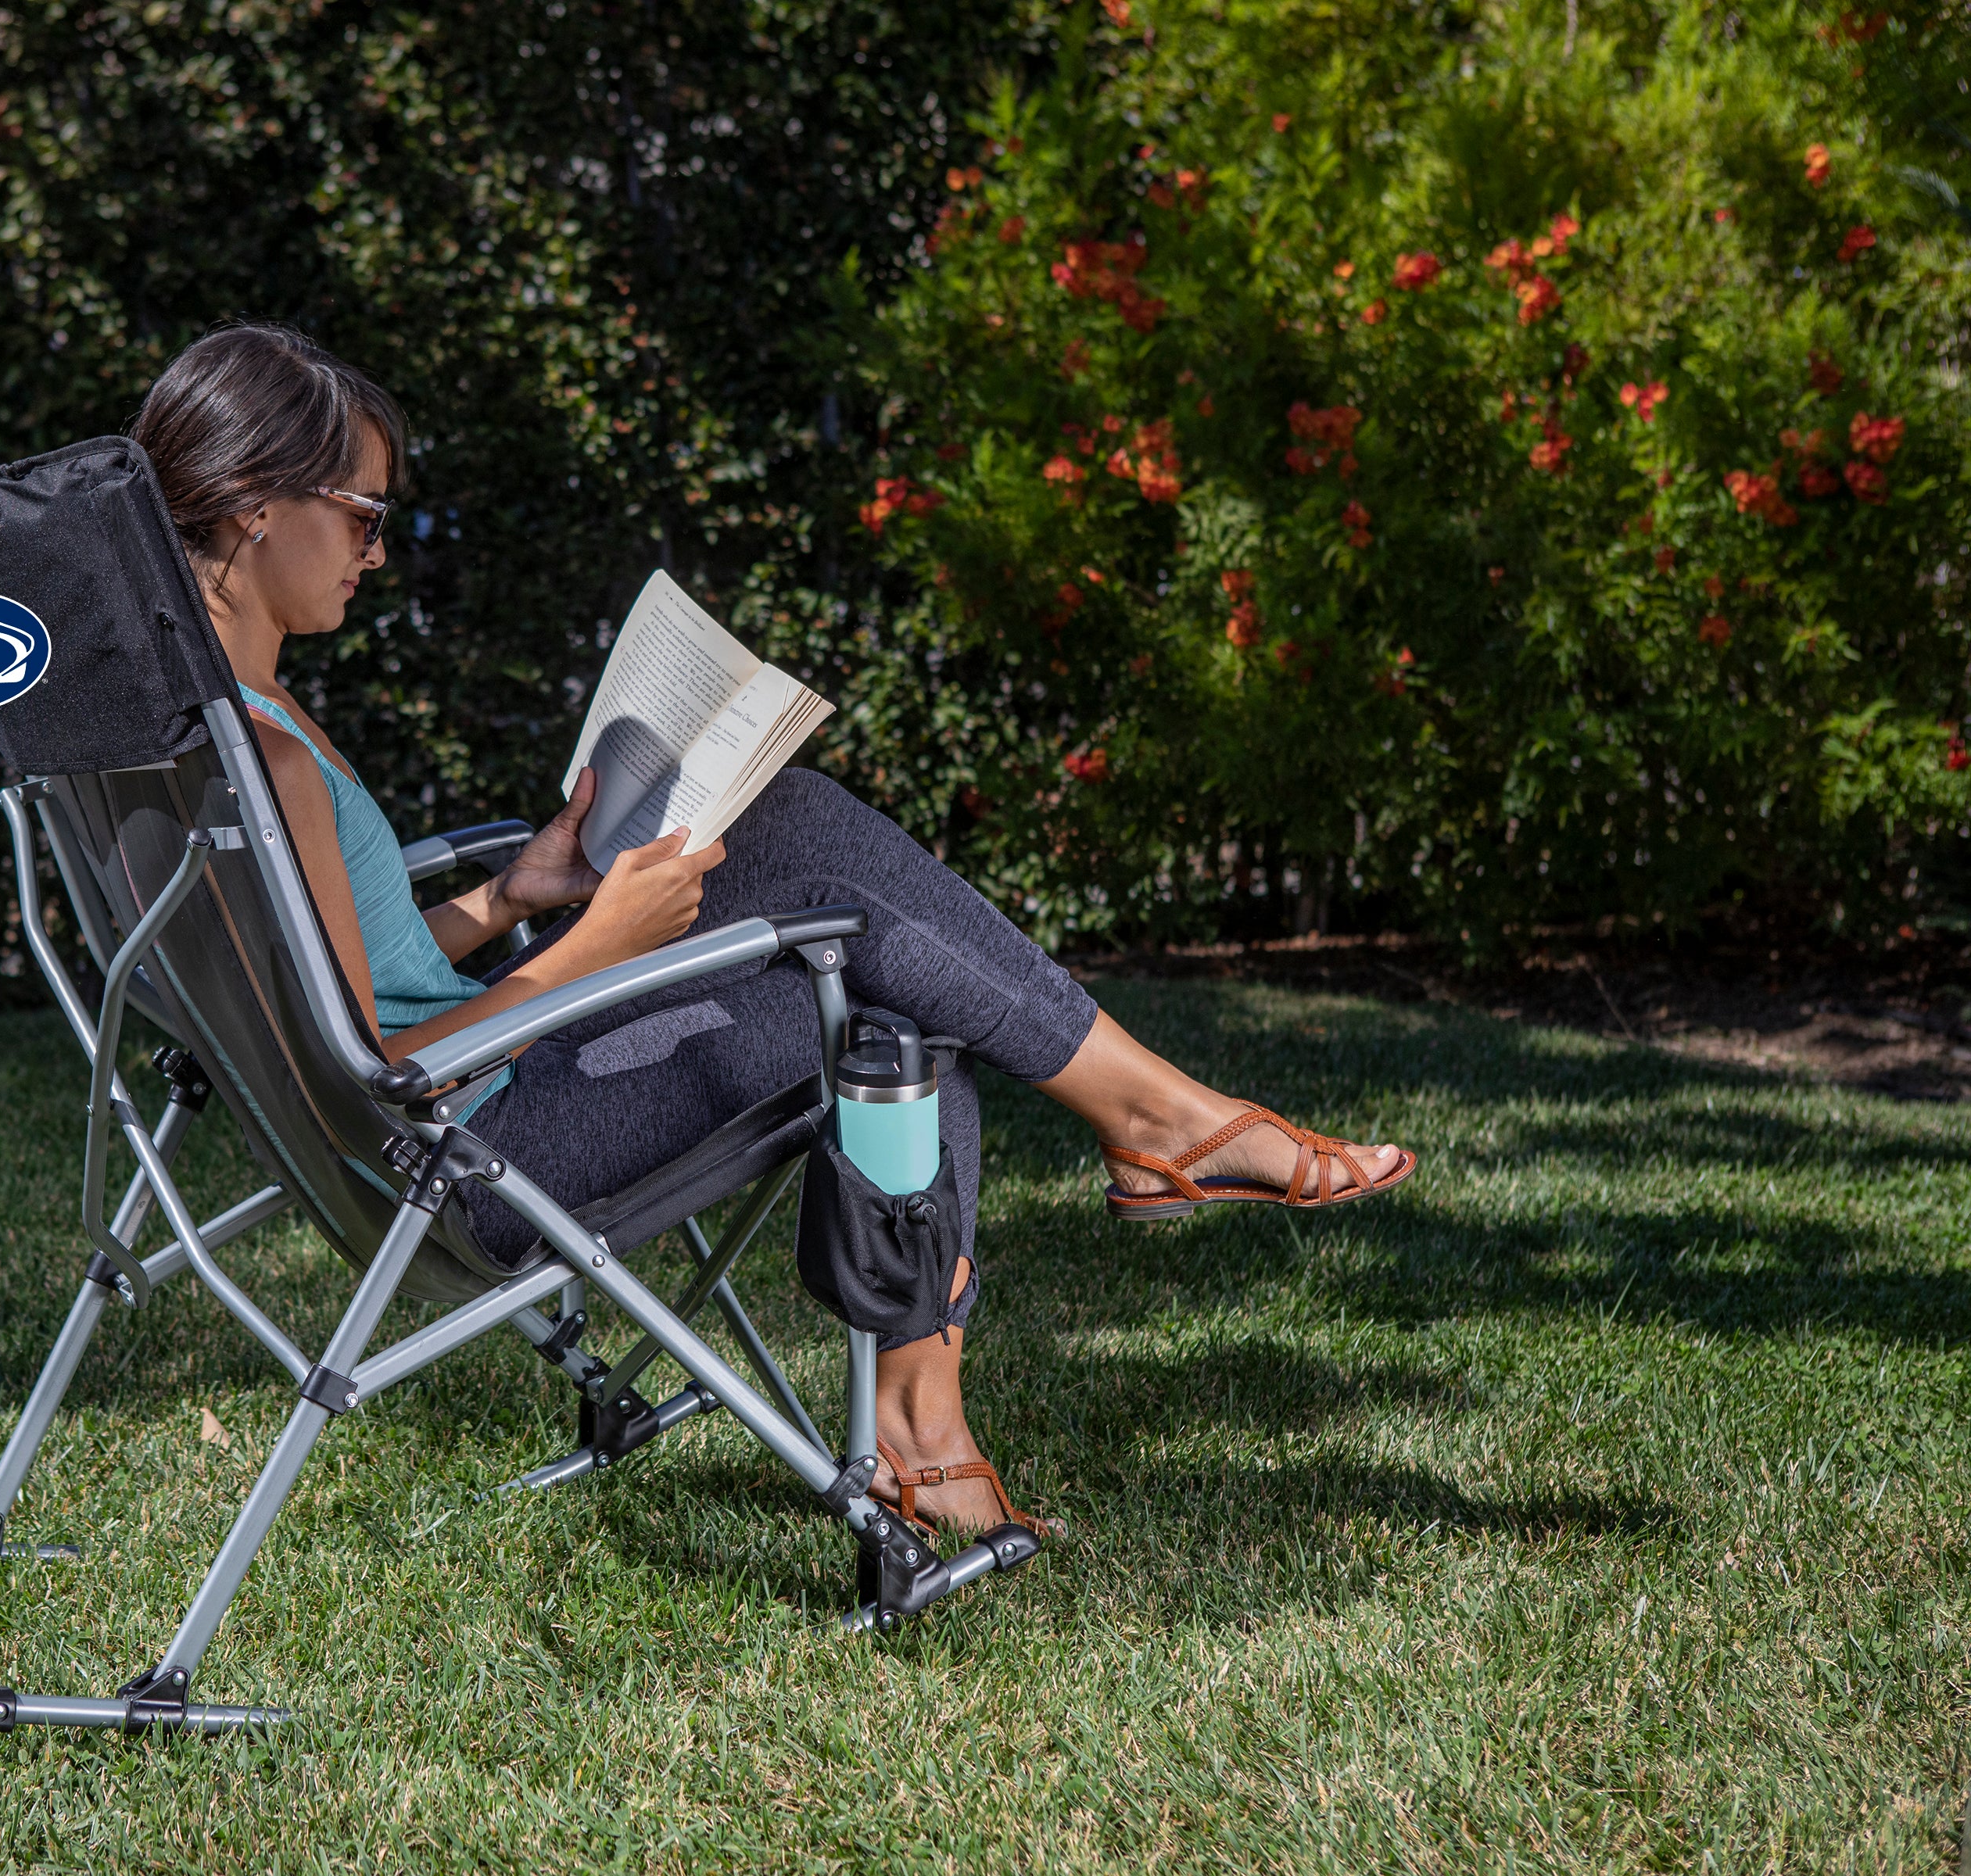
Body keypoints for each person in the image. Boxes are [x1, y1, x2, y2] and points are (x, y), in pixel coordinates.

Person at [131, 324, 1414, 1538]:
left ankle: (1050, 1270)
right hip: (478, 1160)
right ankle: (1088, 1219)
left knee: (837, 897)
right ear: (255, 505)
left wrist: (520, 899)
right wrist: (601, 946)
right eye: (362, 513)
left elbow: (341, 980)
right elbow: (372, 1073)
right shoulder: (266, 761)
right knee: (877, 975)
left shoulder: (204, 736)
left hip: (450, 1129)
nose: (379, 548)